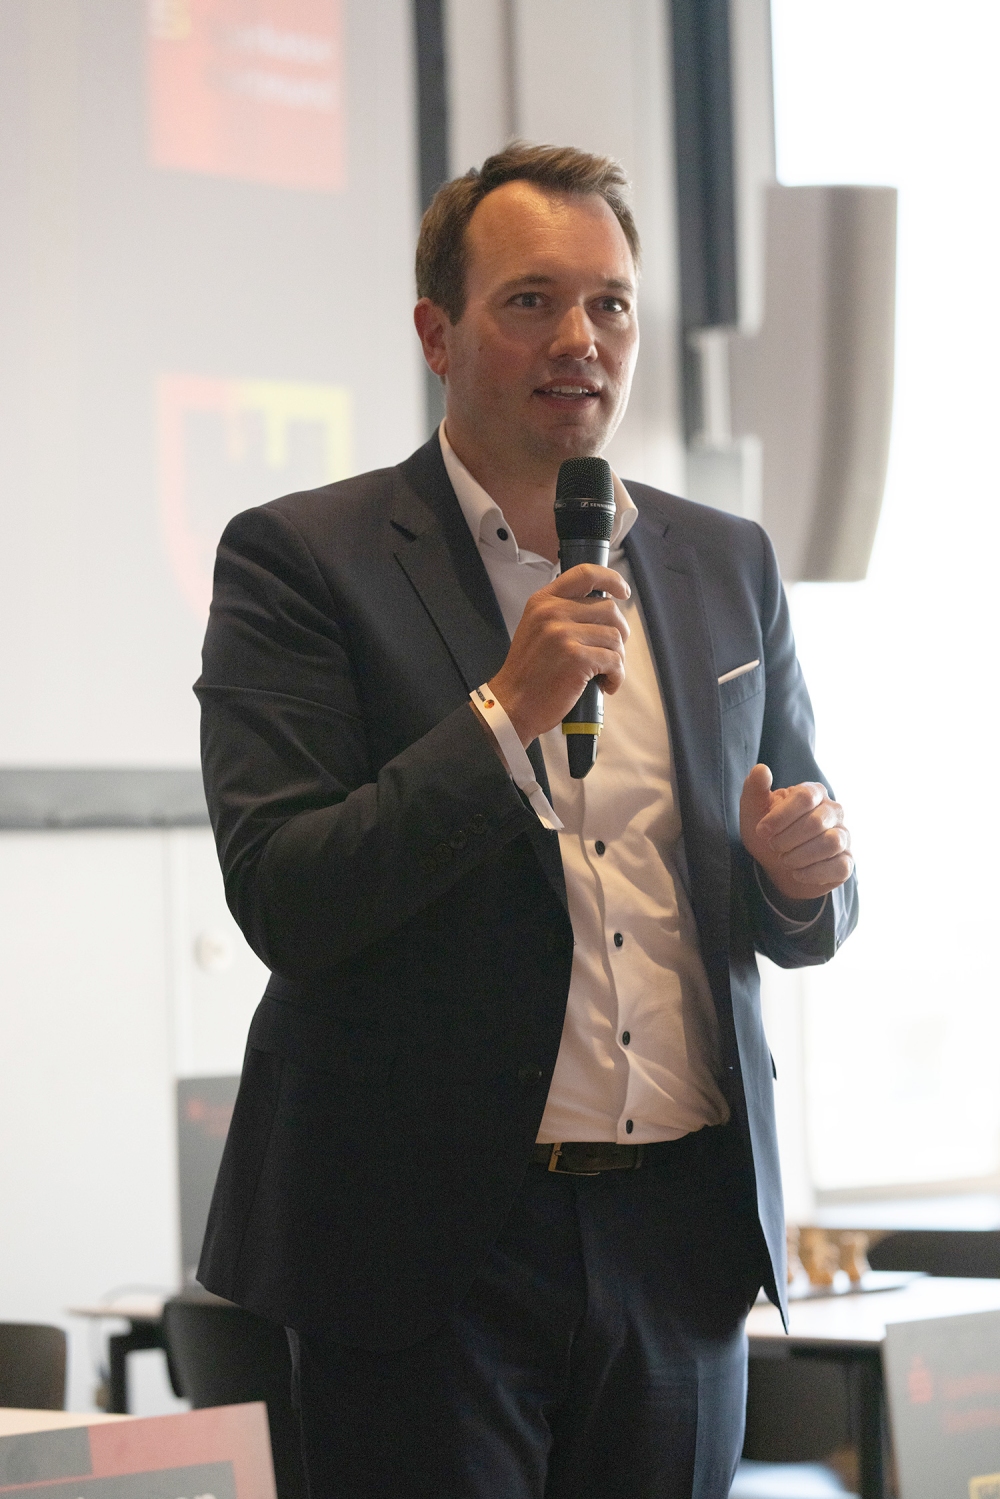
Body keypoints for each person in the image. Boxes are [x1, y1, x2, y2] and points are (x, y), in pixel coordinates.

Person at [195, 143, 857, 1499]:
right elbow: (287, 893)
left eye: (610, 303)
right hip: (425, 1253)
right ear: (437, 333)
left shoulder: (725, 561)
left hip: (678, 1238)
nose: (580, 339)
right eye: (531, 302)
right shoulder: (302, 560)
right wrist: (507, 714)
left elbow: (800, 879)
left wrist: (804, 877)